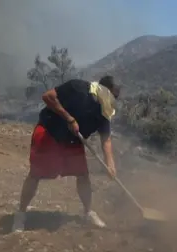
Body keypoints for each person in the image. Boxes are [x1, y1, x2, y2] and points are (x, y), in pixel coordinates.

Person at [12, 75, 121, 232]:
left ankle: (88, 212)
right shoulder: (78, 88)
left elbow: (106, 140)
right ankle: (21, 214)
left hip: (73, 140)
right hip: (50, 132)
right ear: (103, 90)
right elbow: (48, 96)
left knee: (83, 175)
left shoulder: (104, 110)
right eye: (112, 95)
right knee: (35, 174)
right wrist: (69, 119)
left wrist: (110, 164)